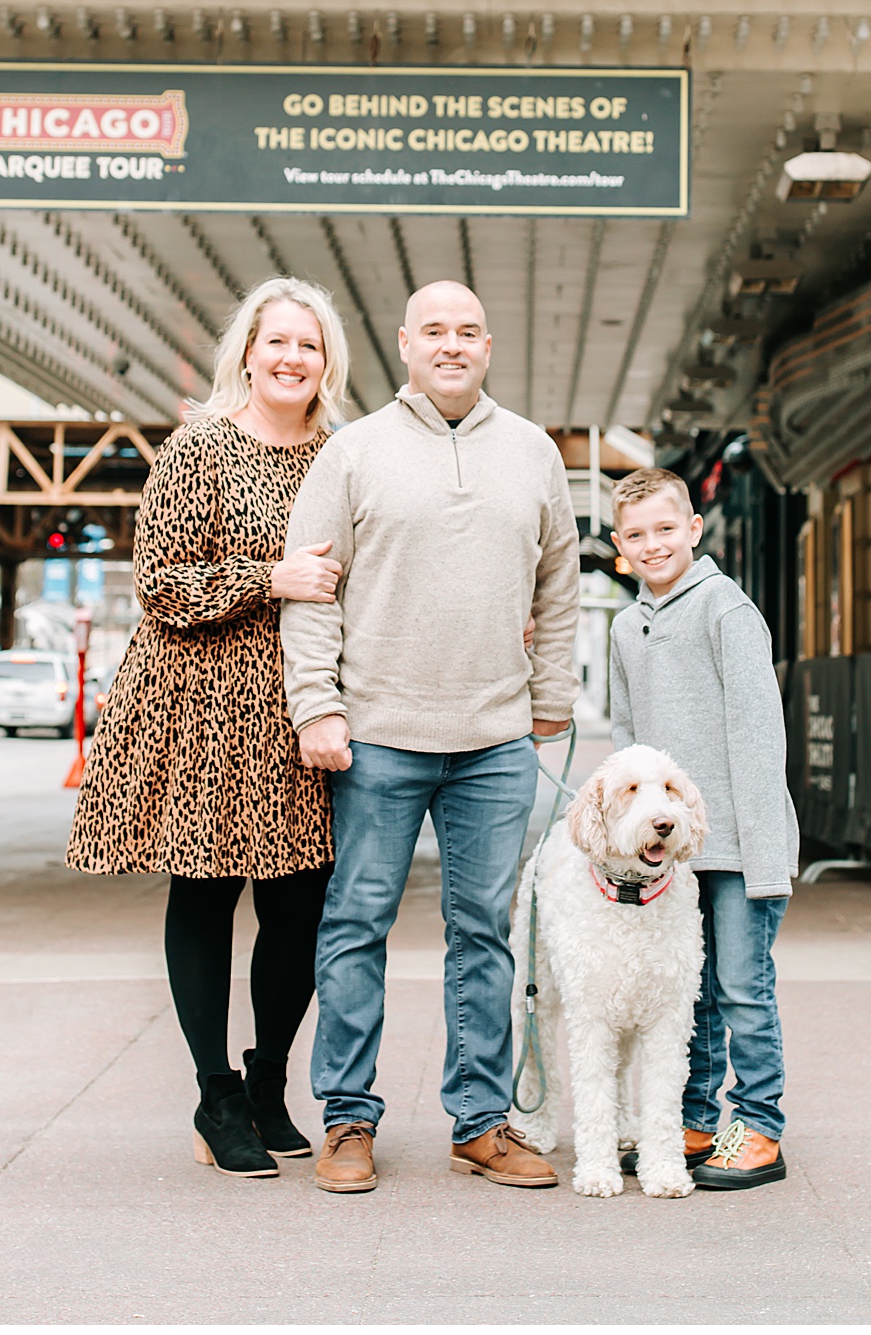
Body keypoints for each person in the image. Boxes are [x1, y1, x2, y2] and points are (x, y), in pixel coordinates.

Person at [281, 279, 579, 1194]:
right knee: (355, 924)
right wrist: (316, 707)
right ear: (405, 344)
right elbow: (313, 590)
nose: (452, 345)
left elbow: (558, 584)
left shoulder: (533, 452)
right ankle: (346, 1119)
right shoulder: (353, 452)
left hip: (494, 738)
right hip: (378, 735)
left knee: (483, 931)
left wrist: (552, 694)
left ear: (489, 346)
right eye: (435, 331)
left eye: (470, 332)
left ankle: (481, 1122)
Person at [68, 277, 350, 1179]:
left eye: (308, 344)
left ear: (327, 358)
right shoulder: (200, 449)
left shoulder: (346, 455)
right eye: (278, 341)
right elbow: (159, 583)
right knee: (206, 891)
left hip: (302, 707)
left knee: (302, 906)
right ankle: (213, 1089)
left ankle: (269, 1078)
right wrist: (272, 577)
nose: (292, 358)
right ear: (249, 351)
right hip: (204, 702)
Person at [607, 466, 797, 1190]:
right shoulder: (627, 625)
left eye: (665, 528)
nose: (653, 544)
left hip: (744, 845)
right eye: (637, 534)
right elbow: (628, 742)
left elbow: (758, 736)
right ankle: (692, 1117)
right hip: (669, 850)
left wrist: (765, 857)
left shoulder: (726, 609)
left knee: (742, 984)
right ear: (621, 546)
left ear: (693, 528)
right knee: (695, 990)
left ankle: (759, 1125)